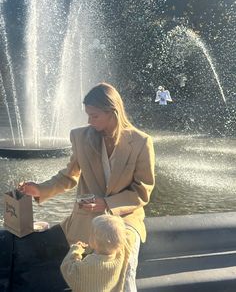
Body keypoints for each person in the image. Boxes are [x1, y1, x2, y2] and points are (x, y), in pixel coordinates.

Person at [2, 82, 155, 291]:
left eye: (94, 116)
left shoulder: (141, 142)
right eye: (87, 115)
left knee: (124, 260)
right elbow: (68, 176)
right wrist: (39, 189)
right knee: (85, 274)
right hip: (87, 217)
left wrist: (106, 204)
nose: (89, 121)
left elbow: (142, 191)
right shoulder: (81, 137)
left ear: (113, 112)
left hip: (125, 217)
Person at [61, 214, 136, 292]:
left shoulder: (89, 263)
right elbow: (130, 235)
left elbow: (67, 268)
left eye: (90, 234)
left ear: (95, 242)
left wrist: (76, 250)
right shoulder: (121, 254)